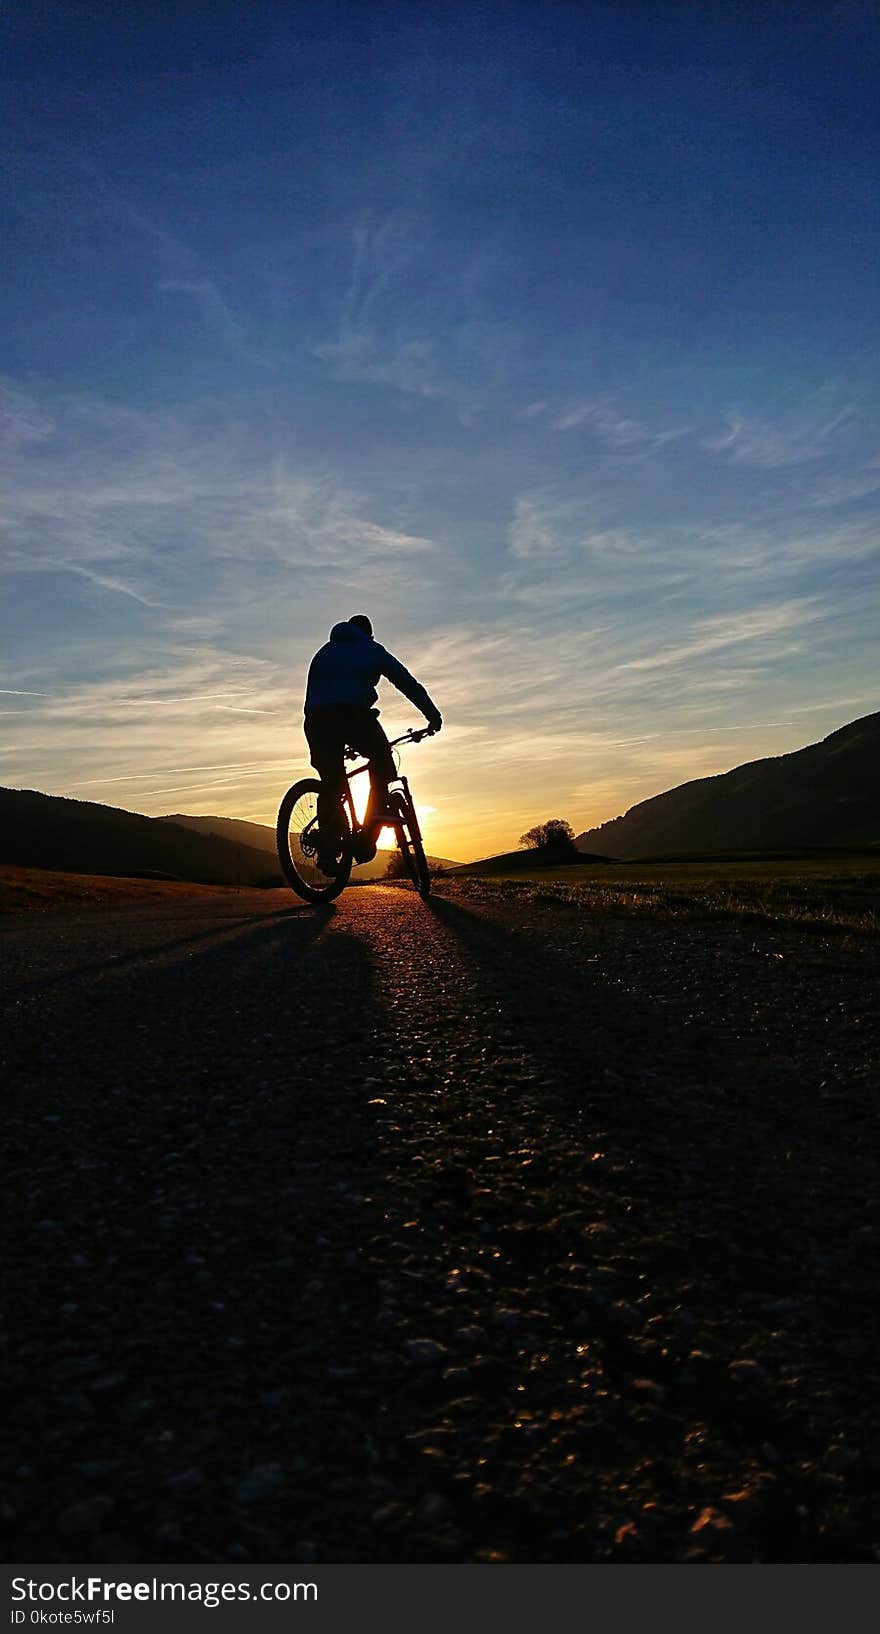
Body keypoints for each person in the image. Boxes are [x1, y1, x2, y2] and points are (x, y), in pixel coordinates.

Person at [303, 615, 442, 874]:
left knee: (332, 782)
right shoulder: (370, 649)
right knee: (382, 759)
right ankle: (367, 834)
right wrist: (432, 715)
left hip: (316, 723)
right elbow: (406, 682)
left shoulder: (324, 652)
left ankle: (327, 850)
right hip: (353, 716)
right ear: (369, 635)